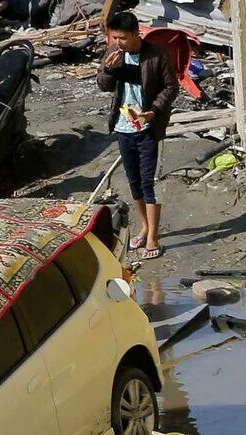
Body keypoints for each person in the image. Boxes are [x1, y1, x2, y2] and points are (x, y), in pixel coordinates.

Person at [98, 3, 177, 261]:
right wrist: (109, 70)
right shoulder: (113, 53)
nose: (118, 42)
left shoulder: (156, 55)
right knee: (133, 182)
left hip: (147, 127)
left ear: (135, 34)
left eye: (122, 37)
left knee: (148, 181)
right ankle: (143, 227)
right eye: (114, 38)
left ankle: (153, 236)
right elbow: (103, 86)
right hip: (124, 127)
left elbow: (170, 87)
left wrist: (154, 110)